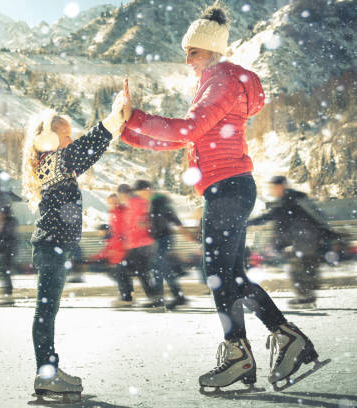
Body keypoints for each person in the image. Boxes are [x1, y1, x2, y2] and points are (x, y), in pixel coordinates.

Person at [119, 4, 319, 391]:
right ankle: (260, 347)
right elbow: (184, 137)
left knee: (220, 275)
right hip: (228, 188)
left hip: (228, 189)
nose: (187, 60)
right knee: (229, 276)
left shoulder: (221, 80)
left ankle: (255, 346)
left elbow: (187, 129)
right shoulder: (216, 81)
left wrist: (136, 117)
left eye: (192, 52)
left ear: (209, 50)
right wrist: (125, 130)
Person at [22, 97, 124, 401]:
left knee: (47, 311)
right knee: (46, 311)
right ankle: (46, 374)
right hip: (51, 246)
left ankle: (49, 370)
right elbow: (87, 149)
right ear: (49, 137)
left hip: (55, 246)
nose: (71, 140)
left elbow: (85, 151)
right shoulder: (53, 161)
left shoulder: (52, 164)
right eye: (65, 134)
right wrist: (113, 119)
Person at [248, 176, 340, 307]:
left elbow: (315, 215)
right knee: (302, 267)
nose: (273, 190)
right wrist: (249, 222)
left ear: (282, 185)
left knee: (299, 267)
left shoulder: (296, 198)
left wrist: (327, 232)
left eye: (274, 187)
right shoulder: (282, 202)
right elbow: (269, 217)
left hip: (306, 238)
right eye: (271, 188)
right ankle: (307, 297)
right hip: (299, 240)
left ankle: (305, 297)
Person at [120, 181, 161, 307]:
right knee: (137, 271)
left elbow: (146, 218)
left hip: (142, 244)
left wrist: (144, 222)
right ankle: (150, 297)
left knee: (137, 271)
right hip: (137, 244)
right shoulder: (131, 203)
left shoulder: (138, 202)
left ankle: (152, 298)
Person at [148, 191, 188, 309]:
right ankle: (175, 297)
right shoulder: (165, 208)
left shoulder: (156, 209)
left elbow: (154, 228)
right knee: (161, 269)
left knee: (161, 269)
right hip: (164, 240)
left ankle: (170, 297)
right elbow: (178, 223)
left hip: (162, 240)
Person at [0, 205, 18, 306]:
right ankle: (8, 297)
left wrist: (0, 250)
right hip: (7, 252)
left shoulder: (9, 223)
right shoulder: (8, 223)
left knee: (6, 274)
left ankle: (8, 298)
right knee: (5, 274)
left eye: (0, 213)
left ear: (4, 214)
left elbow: (6, 238)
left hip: (7, 252)